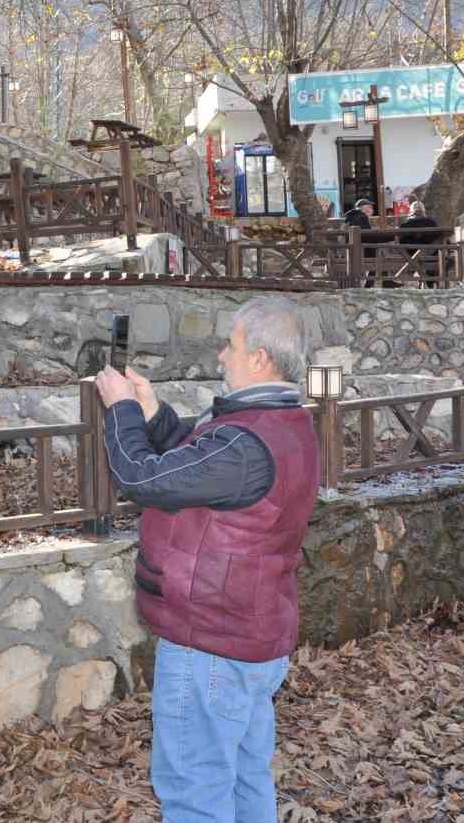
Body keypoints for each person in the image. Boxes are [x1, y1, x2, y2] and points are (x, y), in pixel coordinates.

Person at [94, 299, 320, 823]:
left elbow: (140, 478)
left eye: (231, 345)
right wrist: (152, 415)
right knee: (243, 780)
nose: (221, 355)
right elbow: (201, 472)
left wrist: (121, 410)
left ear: (260, 359)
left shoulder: (245, 441)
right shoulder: (279, 424)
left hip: (210, 647)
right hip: (248, 638)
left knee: (195, 791)